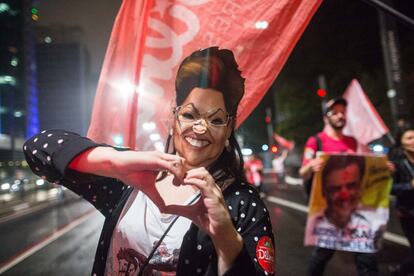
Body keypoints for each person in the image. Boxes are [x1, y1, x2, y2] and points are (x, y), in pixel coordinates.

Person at [23, 47, 275, 276]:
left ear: (229, 128)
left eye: (216, 120)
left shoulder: (243, 203)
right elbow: (38, 150)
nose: (200, 128)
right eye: (189, 115)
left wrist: (225, 237)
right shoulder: (133, 177)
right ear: (172, 117)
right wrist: (115, 162)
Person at [299, 97, 378, 276]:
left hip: (356, 208)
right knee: (322, 254)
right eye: (335, 112)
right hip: (329, 209)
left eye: (343, 112)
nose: (340, 115)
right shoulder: (315, 141)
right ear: (326, 118)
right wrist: (311, 166)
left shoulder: (354, 142)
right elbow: (302, 173)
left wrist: (382, 167)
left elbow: (367, 167)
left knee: (366, 254)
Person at [389, 124, 414, 276]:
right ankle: (399, 272)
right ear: (401, 142)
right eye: (409, 138)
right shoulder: (396, 162)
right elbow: (390, 188)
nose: (413, 141)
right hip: (408, 212)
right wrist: (409, 185)